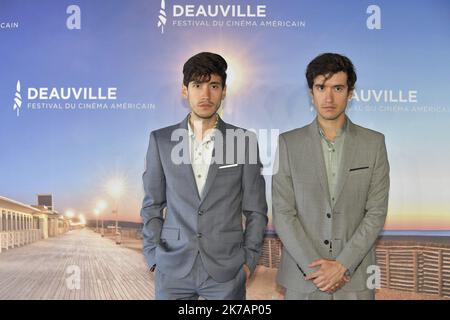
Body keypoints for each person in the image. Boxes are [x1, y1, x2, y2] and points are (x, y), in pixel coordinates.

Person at [140, 52, 268, 300]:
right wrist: (154, 257)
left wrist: (248, 261)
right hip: (172, 270)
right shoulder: (161, 140)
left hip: (227, 272)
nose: (206, 94)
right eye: (197, 85)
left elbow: (256, 210)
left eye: (214, 86)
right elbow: (152, 205)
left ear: (224, 91)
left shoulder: (243, 141)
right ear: (185, 91)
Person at [272, 53, 389, 300]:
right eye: (321, 87)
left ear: (350, 92)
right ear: (311, 92)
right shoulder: (288, 143)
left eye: (337, 88)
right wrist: (318, 269)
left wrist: (342, 265)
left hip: (354, 278)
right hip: (303, 278)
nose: (328, 97)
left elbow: (376, 212)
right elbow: (283, 213)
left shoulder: (374, 143)